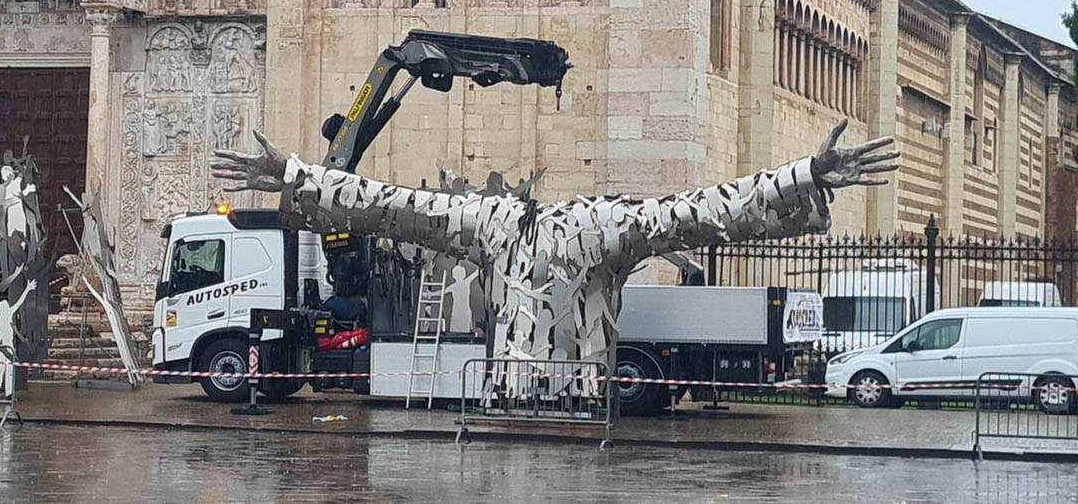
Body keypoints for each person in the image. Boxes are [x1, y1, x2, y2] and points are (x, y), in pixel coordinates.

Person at [211, 120, 896, 364]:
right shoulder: (562, 227)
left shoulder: (528, 226)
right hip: (530, 400)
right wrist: (295, 175)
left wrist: (296, 175)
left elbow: (393, 208)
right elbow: (704, 213)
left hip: (563, 400)